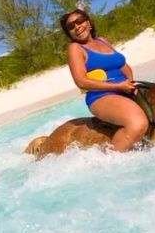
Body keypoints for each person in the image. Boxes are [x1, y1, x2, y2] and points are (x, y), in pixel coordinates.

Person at [60, 8, 148, 152]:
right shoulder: (75, 48)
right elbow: (81, 81)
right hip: (101, 96)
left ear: (88, 22)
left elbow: (123, 65)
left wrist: (130, 84)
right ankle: (110, 161)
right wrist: (118, 87)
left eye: (79, 21)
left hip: (125, 88)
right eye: (71, 26)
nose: (76, 27)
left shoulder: (103, 41)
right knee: (138, 123)